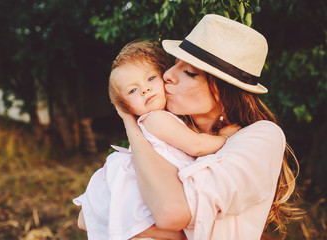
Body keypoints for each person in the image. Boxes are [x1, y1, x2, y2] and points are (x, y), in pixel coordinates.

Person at [117, 14, 303, 240]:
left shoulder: (261, 136)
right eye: (175, 64)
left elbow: (168, 213)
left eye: (189, 73)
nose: (167, 75)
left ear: (224, 92)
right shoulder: (170, 132)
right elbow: (88, 214)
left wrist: (132, 127)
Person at [73, 40, 236, 240]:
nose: (144, 90)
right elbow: (197, 145)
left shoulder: (168, 119)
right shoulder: (156, 119)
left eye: (150, 78)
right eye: (133, 90)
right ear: (127, 108)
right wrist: (225, 138)